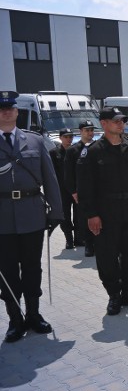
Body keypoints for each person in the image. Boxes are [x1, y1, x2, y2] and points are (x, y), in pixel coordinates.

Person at [0, 91, 63, 342]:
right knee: (6, 272)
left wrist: (57, 212)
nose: (6, 112)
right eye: (1, 108)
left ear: (17, 112)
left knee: (32, 268)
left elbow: (50, 178)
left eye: (10, 108)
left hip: (32, 215)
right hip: (2, 219)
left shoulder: (34, 141)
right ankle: (15, 320)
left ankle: (34, 315)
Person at [77, 107, 128, 316]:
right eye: (115, 120)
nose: (120, 124)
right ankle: (114, 295)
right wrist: (91, 214)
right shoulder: (92, 152)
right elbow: (85, 188)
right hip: (106, 213)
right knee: (107, 257)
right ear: (103, 123)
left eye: (122, 120)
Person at [65, 119, 96, 255]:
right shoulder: (73, 150)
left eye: (91, 130)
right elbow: (68, 174)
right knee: (83, 218)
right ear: (80, 131)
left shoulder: (97, 147)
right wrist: (73, 191)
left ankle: (98, 243)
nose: (90, 133)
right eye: (87, 130)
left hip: (97, 190)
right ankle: (88, 244)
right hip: (82, 191)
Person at [49, 128, 75, 249]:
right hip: (62, 189)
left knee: (79, 215)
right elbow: (52, 173)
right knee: (65, 215)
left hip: (75, 188)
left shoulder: (76, 151)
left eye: (70, 137)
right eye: (66, 137)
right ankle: (69, 239)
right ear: (60, 138)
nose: (69, 139)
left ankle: (80, 238)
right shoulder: (54, 153)